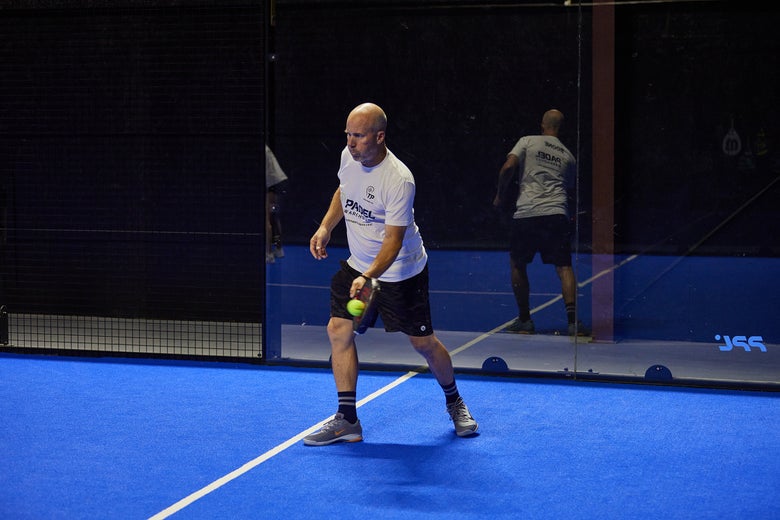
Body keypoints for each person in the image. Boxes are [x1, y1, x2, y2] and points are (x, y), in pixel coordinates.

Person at [304, 102, 478, 445]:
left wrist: (369, 277)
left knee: (423, 343)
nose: (351, 143)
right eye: (348, 135)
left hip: (401, 273)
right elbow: (344, 190)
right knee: (339, 329)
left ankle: (455, 401)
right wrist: (326, 226)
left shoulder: (398, 179)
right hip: (359, 268)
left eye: (358, 136)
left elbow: (393, 242)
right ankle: (347, 419)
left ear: (380, 136)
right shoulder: (348, 157)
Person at [492, 109, 589, 336]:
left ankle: (525, 319)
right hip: (556, 214)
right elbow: (570, 189)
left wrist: (499, 195)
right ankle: (573, 322)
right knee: (564, 267)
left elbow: (508, 167)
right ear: (560, 128)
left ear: (542, 125)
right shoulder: (568, 156)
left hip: (527, 213)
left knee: (518, 264)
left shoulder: (527, 141)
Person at [265, 144, 288, 263]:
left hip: (272, 185)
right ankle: (278, 250)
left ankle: (268, 254)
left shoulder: (262, 149)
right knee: (274, 216)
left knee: (267, 218)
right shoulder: (266, 149)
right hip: (278, 183)